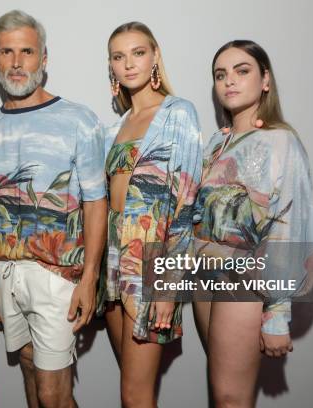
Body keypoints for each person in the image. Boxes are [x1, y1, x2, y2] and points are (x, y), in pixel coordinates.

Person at [0, 10, 107, 408]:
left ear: (43, 59)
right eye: (6, 52)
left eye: (27, 51)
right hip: (5, 274)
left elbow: (97, 204)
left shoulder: (79, 120)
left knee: (53, 395)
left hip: (58, 277)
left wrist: (89, 278)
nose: (17, 62)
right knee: (28, 369)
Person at [192, 40, 313, 408]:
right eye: (221, 74)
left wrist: (277, 315)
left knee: (231, 400)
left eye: (242, 70)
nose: (229, 81)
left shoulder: (280, 142)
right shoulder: (215, 143)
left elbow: (286, 227)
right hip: (203, 279)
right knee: (222, 396)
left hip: (243, 280)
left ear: (265, 80)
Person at [97, 21, 202, 407]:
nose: (128, 64)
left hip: (150, 261)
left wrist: (168, 284)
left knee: (134, 396)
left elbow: (185, 204)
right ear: (111, 66)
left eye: (138, 53)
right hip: (111, 259)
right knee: (130, 386)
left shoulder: (178, 114)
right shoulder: (114, 127)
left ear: (155, 56)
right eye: (118, 56)